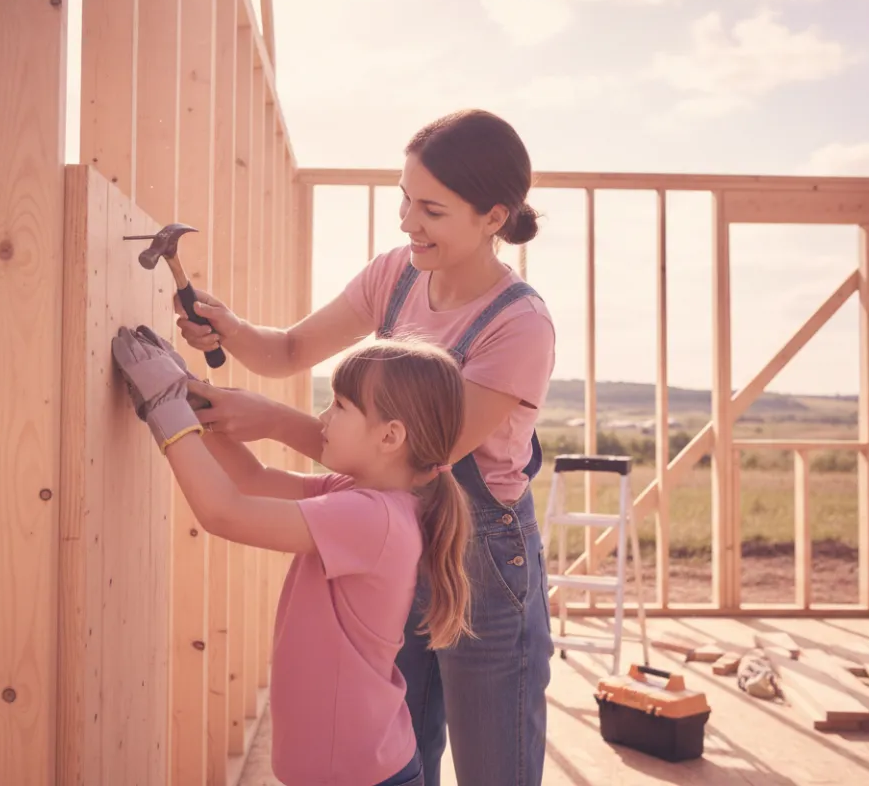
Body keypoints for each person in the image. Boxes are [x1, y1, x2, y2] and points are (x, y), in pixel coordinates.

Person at [176, 108, 556, 786]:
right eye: (404, 199)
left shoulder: (520, 325)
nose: (407, 222)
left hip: (483, 559)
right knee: (408, 751)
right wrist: (227, 329)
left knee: (495, 768)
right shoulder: (396, 274)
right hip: (396, 538)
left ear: (493, 217)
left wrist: (266, 418)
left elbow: (421, 457)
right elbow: (289, 350)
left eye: (431, 210)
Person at [110, 326, 475, 786]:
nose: (323, 417)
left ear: (390, 436)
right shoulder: (361, 494)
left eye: (340, 406)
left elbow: (226, 513)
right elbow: (253, 479)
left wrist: (166, 410)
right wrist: (188, 399)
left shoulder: (372, 518)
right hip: (355, 769)